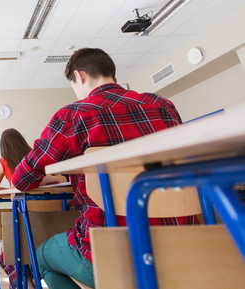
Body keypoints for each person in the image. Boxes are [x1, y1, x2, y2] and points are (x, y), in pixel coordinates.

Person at [12, 48, 198, 289]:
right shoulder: (162, 105)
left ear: (79, 77)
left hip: (110, 251)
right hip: (181, 244)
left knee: (40, 259)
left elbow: (22, 178)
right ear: (114, 76)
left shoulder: (73, 115)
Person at [0, 128, 63, 289]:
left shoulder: (4, 161)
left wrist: (12, 190)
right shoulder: (35, 157)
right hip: (51, 222)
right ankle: (31, 281)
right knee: (26, 251)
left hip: (23, 220)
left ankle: (27, 285)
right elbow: (58, 179)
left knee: (7, 255)